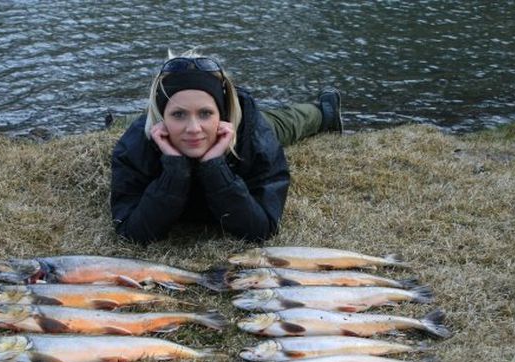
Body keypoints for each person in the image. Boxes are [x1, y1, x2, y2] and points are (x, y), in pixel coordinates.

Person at [110, 52, 343, 245]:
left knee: (284, 124)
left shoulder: (254, 138)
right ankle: (122, 120)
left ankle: (324, 111)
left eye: (205, 113)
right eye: (178, 114)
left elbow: (261, 229)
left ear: (221, 114)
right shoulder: (135, 145)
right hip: (161, 126)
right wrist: (174, 169)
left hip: (247, 124)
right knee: (144, 122)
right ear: (162, 118)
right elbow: (131, 233)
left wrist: (214, 166)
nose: (193, 128)